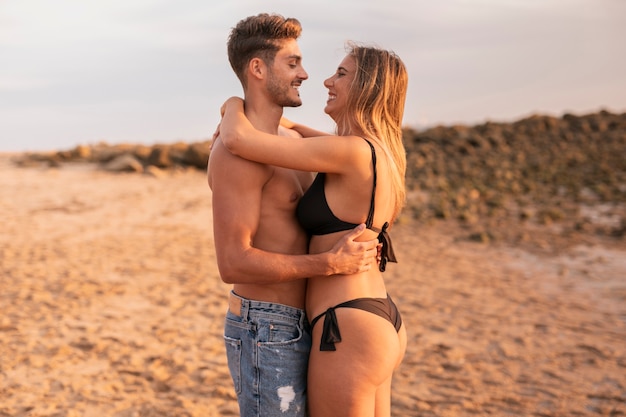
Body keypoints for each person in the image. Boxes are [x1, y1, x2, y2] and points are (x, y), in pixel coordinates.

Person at [219, 42, 409, 416]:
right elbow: (301, 135)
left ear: (367, 87)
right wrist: (283, 122)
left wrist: (231, 105)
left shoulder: (351, 152)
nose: (326, 80)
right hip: (378, 318)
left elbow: (238, 141)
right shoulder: (379, 152)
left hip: (346, 326)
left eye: (342, 74)